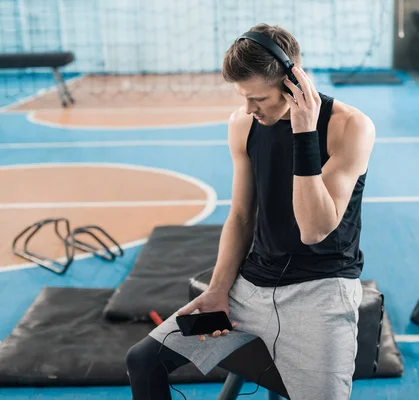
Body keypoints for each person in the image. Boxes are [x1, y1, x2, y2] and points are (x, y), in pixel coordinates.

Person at [125, 23, 375, 400]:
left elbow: (314, 229)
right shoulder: (243, 123)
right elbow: (241, 216)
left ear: (293, 85)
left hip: (321, 296)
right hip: (250, 293)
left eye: (256, 98)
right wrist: (218, 291)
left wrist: (304, 133)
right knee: (144, 360)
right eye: (243, 97)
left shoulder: (350, 127)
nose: (247, 108)